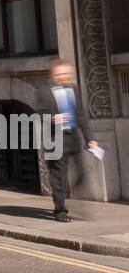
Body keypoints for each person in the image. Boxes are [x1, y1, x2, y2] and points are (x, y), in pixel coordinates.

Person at [35, 60, 98, 222]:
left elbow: (81, 115)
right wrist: (53, 118)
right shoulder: (43, 90)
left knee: (82, 173)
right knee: (59, 176)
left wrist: (90, 139)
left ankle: (65, 196)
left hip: (73, 138)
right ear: (54, 74)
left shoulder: (73, 89)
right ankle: (60, 210)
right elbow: (38, 115)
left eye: (67, 73)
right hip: (55, 139)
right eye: (61, 74)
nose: (65, 76)